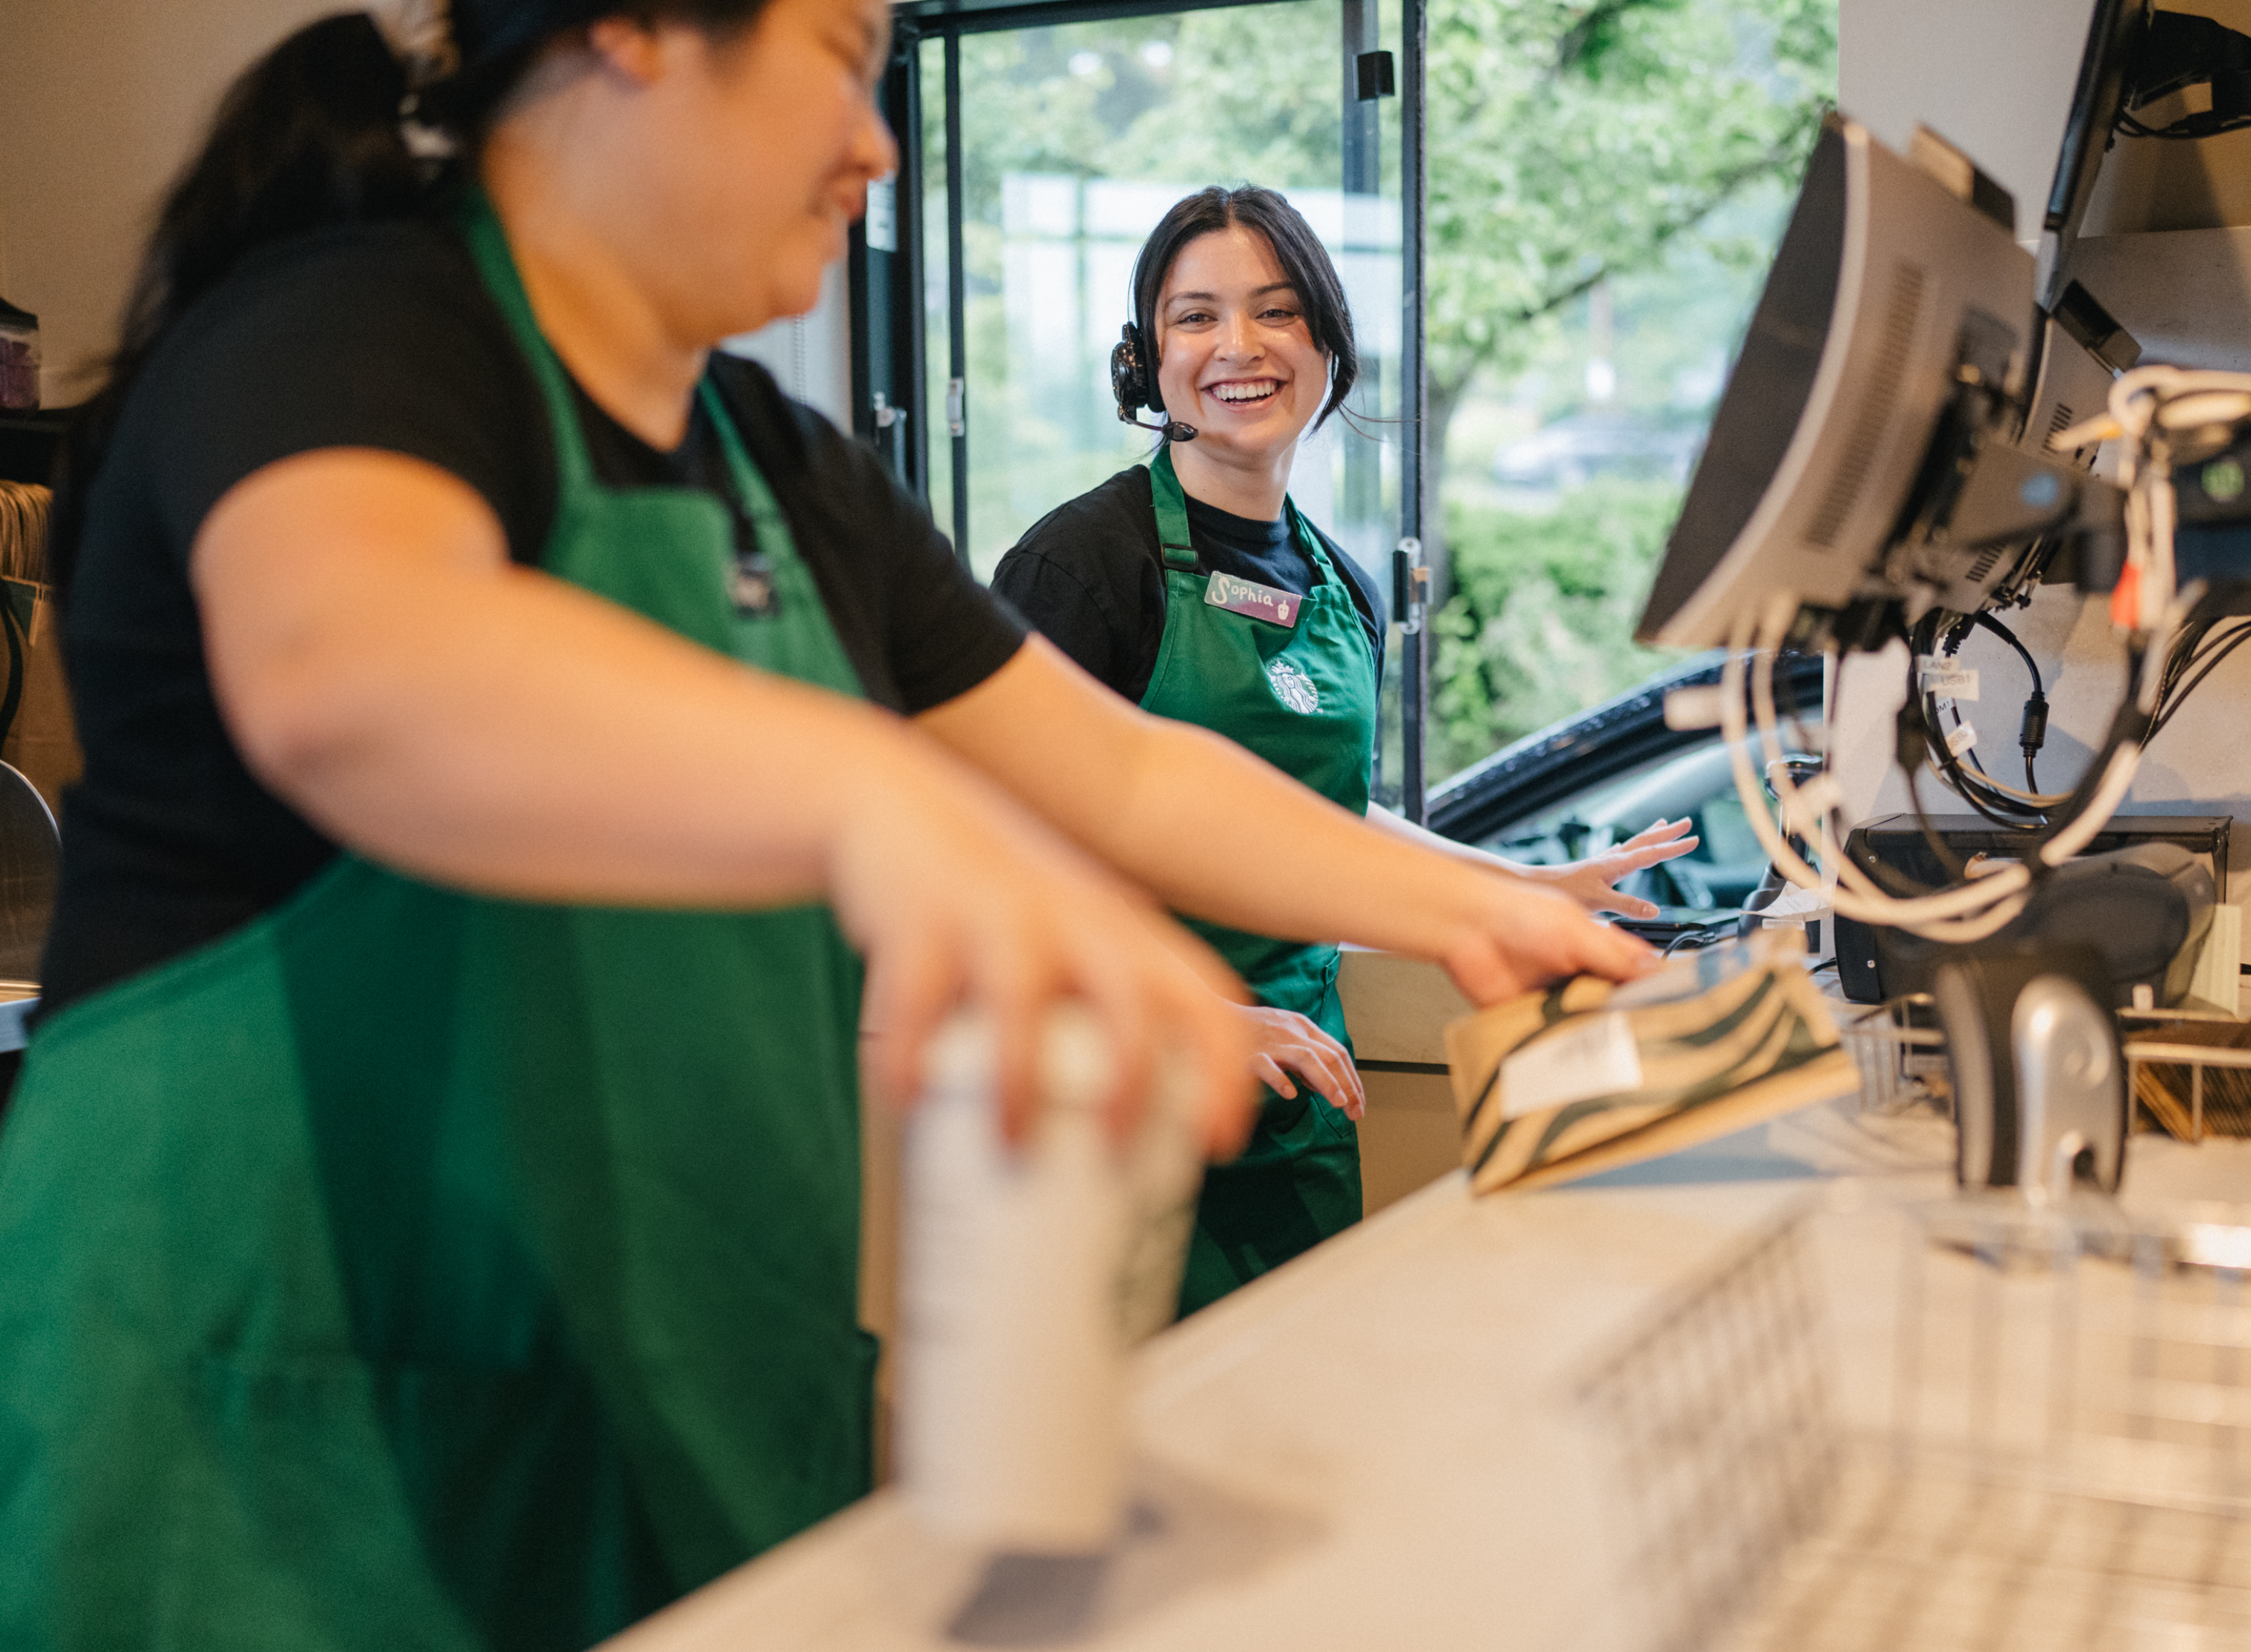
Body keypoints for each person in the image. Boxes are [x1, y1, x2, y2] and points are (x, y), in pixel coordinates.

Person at [0, 5, 1655, 1648]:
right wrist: (882, 802)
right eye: (847, 54)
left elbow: (1132, 776)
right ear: (637, 34)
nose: (876, 142)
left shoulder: (778, 464)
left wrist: (1483, 909)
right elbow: (353, 673)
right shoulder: (345, 333)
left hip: (665, 1370)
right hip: (283, 1387)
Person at [991, 187, 1698, 1315]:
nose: (1238, 346)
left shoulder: (1340, 586)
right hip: (1120, 1096)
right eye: (1194, 317)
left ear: (1326, 344)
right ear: (1143, 362)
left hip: (1300, 1099)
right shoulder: (1083, 566)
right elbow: (992, 854)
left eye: (1275, 311)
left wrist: (1521, 886)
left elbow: (1316, 816)